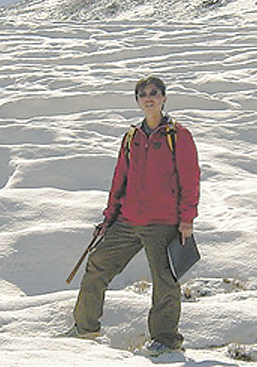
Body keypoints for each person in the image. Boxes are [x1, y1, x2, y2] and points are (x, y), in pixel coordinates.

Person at [66, 76, 201, 355]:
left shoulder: (178, 136)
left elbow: (190, 178)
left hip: (162, 222)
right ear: (138, 100)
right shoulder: (131, 138)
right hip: (127, 220)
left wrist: (187, 218)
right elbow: (120, 179)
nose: (148, 98)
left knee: (164, 281)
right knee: (97, 265)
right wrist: (109, 217)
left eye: (154, 93)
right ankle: (86, 328)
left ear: (164, 98)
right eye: (142, 94)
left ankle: (166, 340)